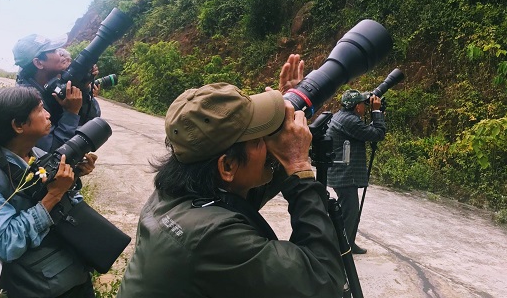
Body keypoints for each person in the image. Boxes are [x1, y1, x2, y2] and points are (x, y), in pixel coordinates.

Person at [116, 55, 345, 298]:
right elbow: (323, 280)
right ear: (226, 166)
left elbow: (248, 187)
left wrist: (280, 116)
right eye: (260, 139)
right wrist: (299, 165)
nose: (269, 143)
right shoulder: (213, 237)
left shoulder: (176, 194)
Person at [0, 86, 98, 298]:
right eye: (41, 109)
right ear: (18, 125)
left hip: (72, 272)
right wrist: (52, 196)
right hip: (43, 288)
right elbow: (5, 243)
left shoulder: (38, 155)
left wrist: (73, 177)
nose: (49, 114)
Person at [327, 89, 386, 255]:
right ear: (356, 106)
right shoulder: (349, 121)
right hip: (344, 173)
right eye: (363, 104)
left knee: (350, 210)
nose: (365, 107)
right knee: (349, 210)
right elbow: (377, 134)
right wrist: (376, 112)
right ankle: (341, 247)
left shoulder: (343, 116)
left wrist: (377, 116)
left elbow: (364, 132)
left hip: (342, 170)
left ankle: (349, 242)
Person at [13, 34, 83, 152]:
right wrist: (71, 113)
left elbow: (90, 120)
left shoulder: (51, 85)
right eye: (54, 51)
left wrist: (84, 88)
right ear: (39, 63)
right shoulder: (27, 102)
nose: (60, 54)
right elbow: (51, 151)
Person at [57, 48, 102, 125]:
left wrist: (86, 88)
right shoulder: (53, 91)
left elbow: (94, 119)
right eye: (65, 71)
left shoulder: (79, 89)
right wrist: (72, 111)